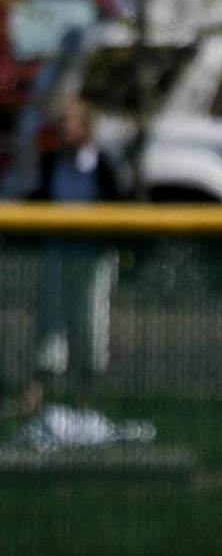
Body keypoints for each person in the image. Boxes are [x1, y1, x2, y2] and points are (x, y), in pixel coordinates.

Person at [26, 99, 123, 411]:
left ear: (86, 127)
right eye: (61, 123)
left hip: (92, 255)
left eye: (70, 122)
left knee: (89, 321)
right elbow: (40, 198)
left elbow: (119, 203)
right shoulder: (53, 161)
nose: (64, 129)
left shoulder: (101, 164)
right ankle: (37, 392)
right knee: (49, 319)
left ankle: (85, 395)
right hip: (58, 250)